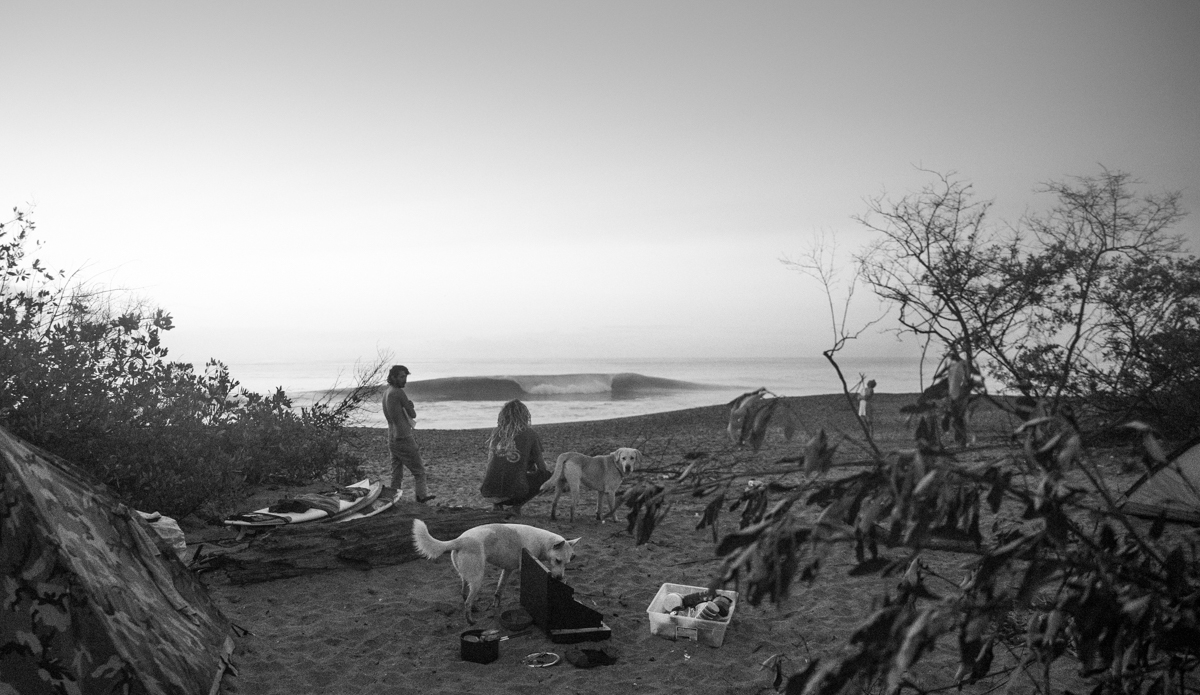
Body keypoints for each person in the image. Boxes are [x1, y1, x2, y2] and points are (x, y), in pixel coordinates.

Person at [480, 399, 550, 516]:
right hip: (515, 494)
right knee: (545, 475)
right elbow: (542, 467)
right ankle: (516, 507)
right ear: (525, 416)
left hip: (488, 492)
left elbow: (493, 462)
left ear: (503, 416)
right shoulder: (530, 434)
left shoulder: (496, 432)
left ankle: (497, 505)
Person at [382, 365, 435, 503]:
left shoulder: (386, 393)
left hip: (391, 437)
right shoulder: (398, 393)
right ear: (393, 377)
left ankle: (393, 500)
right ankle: (421, 498)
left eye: (405, 377)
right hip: (403, 437)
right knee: (419, 472)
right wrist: (410, 405)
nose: (404, 380)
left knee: (397, 472)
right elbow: (413, 414)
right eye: (401, 377)